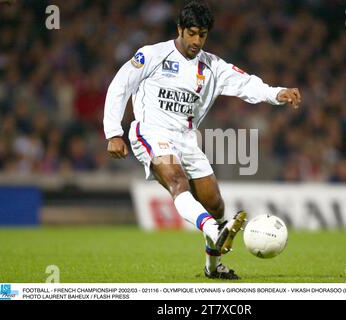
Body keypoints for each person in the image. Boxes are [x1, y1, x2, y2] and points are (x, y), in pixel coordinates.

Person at [103, 0, 301, 280]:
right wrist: (113, 132)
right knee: (176, 181)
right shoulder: (152, 55)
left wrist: (277, 93)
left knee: (215, 204)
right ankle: (215, 230)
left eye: (203, 35)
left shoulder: (212, 67)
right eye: (192, 33)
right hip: (151, 131)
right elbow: (120, 86)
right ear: (180, 29)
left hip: (186, 139)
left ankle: (213, 266)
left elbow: (246, 84)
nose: (197, 40)